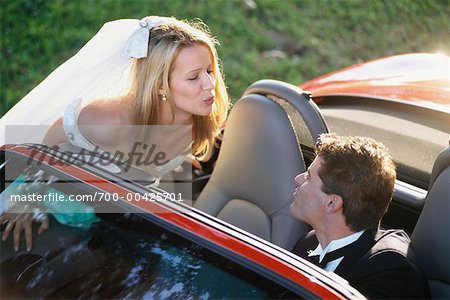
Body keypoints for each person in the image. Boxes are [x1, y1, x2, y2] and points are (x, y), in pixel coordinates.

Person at [0, 16, 229, 251]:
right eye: (193, 77)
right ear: (160, 85)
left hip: (101, 219)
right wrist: (26, 197)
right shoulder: (108, 121)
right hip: (49, 207)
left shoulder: (200, 120)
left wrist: (169, 160)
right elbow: (46, 144)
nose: (209, 84)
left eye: (210, 70)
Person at [290, 133, 429, 299]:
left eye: (308, 177)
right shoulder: (308, 243)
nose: (298, 179)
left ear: (332, 203)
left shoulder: (390, 272)